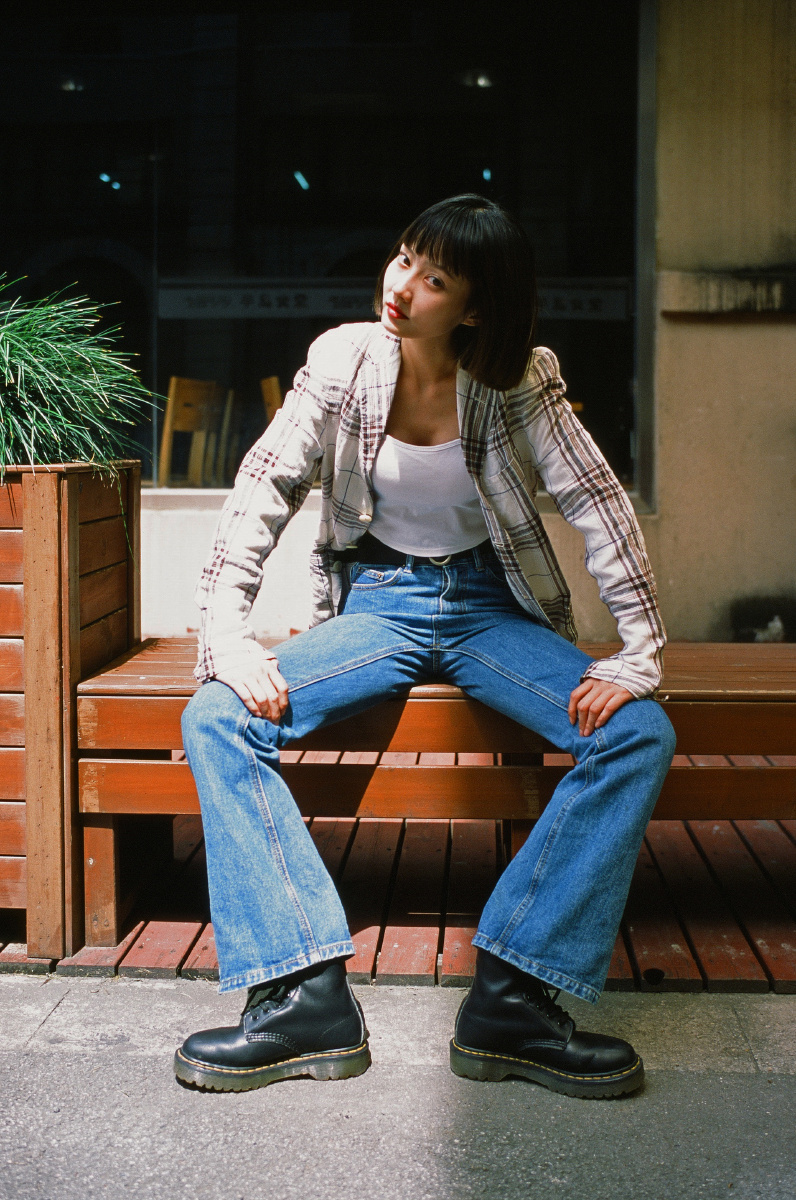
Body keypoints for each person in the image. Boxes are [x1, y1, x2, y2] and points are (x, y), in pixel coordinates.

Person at [175, 194, 675, 1099]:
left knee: (639, 733)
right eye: (404, 258)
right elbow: (261, 489)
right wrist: (227, 636)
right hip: (382, 604)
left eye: (434, 278)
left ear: (476, 309)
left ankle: (513, 999)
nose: (401, 286)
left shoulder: (520, 380)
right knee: (215, 714)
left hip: (490, 610)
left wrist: (639, 651)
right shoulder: (344, 360)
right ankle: (304, 995)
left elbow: (598, 503)